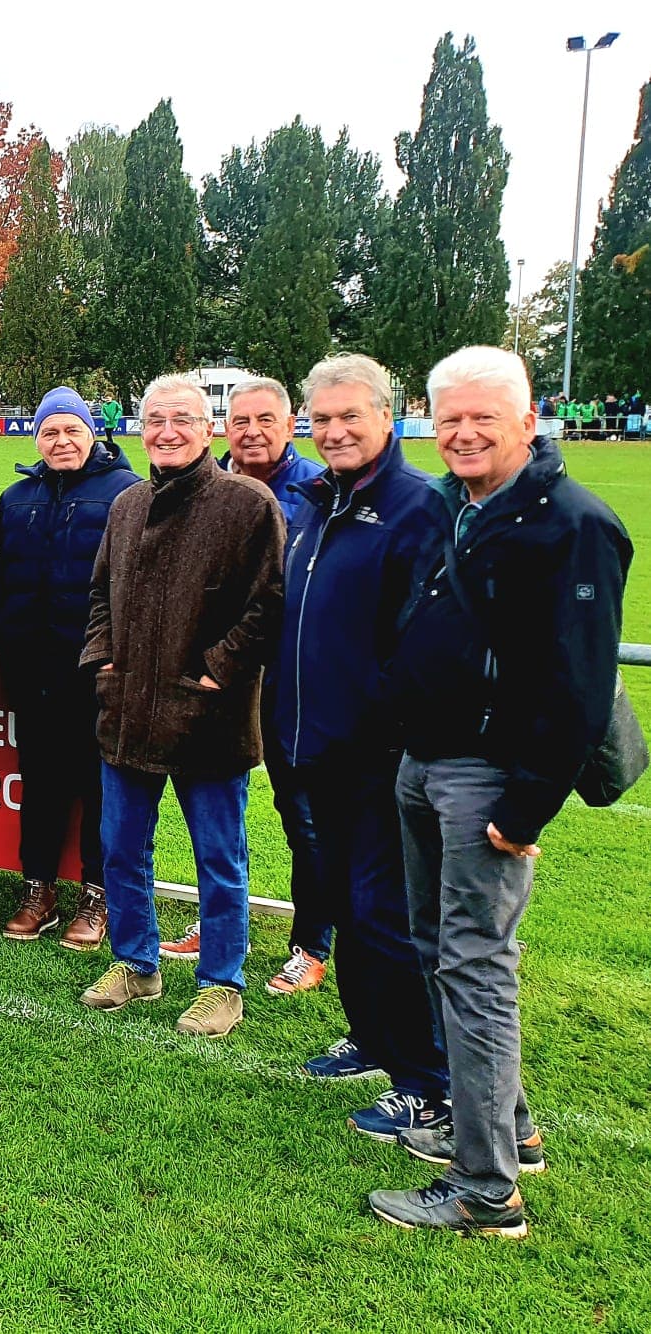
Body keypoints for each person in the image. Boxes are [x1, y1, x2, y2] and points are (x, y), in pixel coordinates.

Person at [370, 346, 632, 1237]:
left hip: (488, 781)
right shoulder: (459, 505)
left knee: (477, 967)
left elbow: (581, 688)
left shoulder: (573, 523)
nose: (465, 432)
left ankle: (485, 1192)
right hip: (426, 760)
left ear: (530, 418)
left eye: (486, 416)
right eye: (450, 418)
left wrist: (524, 809)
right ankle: (511, 1132)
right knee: (439, 949)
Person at [271, 355, 452, 1139]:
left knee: (390, 918)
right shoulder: (318, 504)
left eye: (352, 416)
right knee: (346, 905)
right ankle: (376, 1038)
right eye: (324, 417)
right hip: (317, 749)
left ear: (390, 415)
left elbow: (422, 648)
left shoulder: (417, 508)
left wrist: (383, 735)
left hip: (381, 760)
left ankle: (428, 1080)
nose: (336, 430)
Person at [78, 374, 284, 1038]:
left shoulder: (247, 503)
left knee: (220, 858)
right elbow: (99, 597)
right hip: (129, 708)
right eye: (155, 418)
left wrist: (219, 672)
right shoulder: (127, 504)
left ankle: (222, 983)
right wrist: (103, 663)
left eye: (182, 419)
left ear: (208, 429)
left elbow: (270, 605)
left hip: (209, 718)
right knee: (121, 848)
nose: (167, 430)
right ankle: (136, 963)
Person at [165, 378, 331, 997]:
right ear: (221, 426)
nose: (252, 431)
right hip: (216, 682)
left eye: (266, 419)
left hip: (292, 680)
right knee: (217, 815)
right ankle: (217, 927)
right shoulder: (196, 484)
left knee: (301, 814)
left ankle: (311, 945)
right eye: (240, 420)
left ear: (292, 425)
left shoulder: (317, 490)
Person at [0, 386, 136, 947]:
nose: (61, 440)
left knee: (101, 786)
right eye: (50, 431)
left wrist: (117, 657)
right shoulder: (17, 498)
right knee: (41, 781)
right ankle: (38, 887)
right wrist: (0, 636)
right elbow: (0, 577)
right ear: (38, 437)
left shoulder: (126, 492)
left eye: (71, 429)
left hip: (98, 671)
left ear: (91, 432)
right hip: (32, 667)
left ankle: (97, 896)